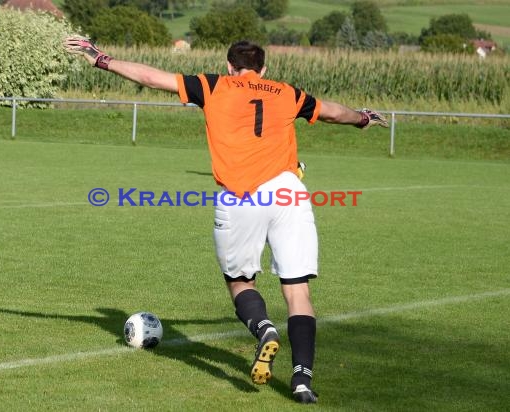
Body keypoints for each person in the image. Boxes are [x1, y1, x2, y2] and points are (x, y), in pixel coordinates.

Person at [64, 37, 388, 404]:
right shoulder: (287, 92)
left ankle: (265, 330)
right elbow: (331, 111)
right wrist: (362, 118)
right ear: (264, 68)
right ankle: (301, 381)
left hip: (240, 194)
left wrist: (101, 59)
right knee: (298, 292)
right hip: (288, 191)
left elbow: (153, 78)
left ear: (230, 66)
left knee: (239, 281)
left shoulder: (214, 85)